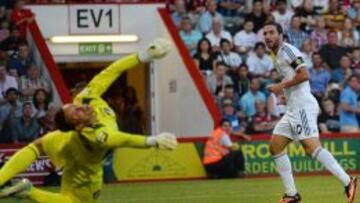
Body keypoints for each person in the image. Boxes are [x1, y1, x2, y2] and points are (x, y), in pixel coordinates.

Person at [0, 38, 178, 203]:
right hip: (85, 163)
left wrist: (143, 55)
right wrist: (152, 141)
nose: (81, 107)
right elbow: (121, 139)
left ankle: (15, 184)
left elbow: (112, 71)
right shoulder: (99, 133)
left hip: (69, 142)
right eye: (76, 113)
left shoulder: (85, 97)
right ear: (79, 125)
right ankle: (26, 190)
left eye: (75, 106)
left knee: (38, 146)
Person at [263, 22, 357, 203]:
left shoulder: (288, 51)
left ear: (280, 34)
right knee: (275, 146)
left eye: (271, 32)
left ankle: (348, 181)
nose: (267, 36)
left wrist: (280, 87)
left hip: (302, 106)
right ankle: (291, 194)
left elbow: (304, 75)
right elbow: (292, 78)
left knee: (311, 148)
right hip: (292, 107)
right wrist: (285, 94)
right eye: (265, 33)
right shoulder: (275, 55)